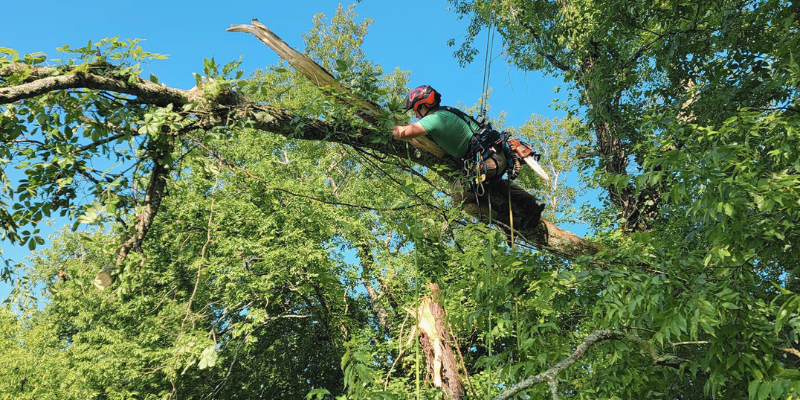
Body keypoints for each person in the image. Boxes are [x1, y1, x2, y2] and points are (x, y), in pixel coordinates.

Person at [392, 85, 545, 230]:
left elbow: (403, 133)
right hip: (496, 156)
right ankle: (531, 202)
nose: (415, 116)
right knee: (496, 185)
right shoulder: (447, 113)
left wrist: (390, 125)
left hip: (486, 161)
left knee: (459, 199)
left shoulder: (434, 118)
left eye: (416, 111)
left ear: (424, 106)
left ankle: (506, 223)